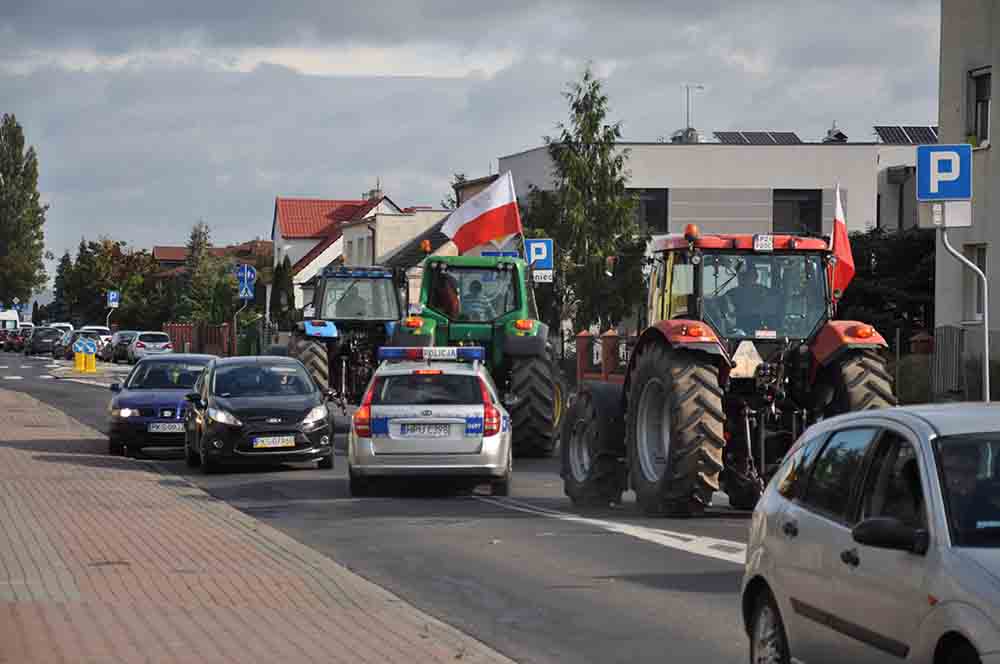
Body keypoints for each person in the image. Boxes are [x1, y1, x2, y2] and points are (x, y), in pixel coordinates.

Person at [939, 442, 1000, 537]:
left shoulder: (990, 513)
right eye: (950, 470)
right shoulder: (926, 499)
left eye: (967, 472)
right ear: (939, 471)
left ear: (976, 474)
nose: (957, 479)